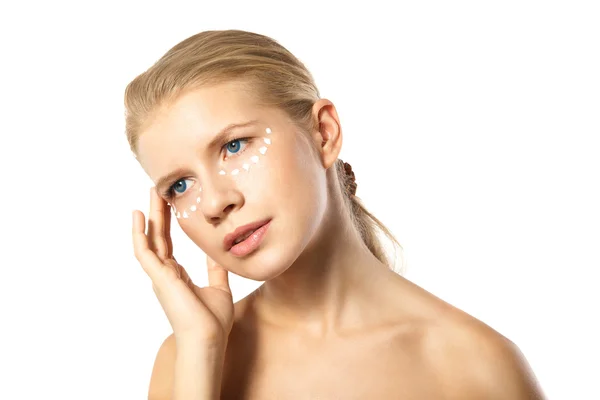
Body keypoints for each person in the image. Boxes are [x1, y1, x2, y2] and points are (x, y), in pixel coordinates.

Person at [127, 29, 545, 399]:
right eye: (180, 186)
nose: (217, 203)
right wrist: (201, 353)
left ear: (324, 133)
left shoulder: (476, 367)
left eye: (235, 146)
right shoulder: (187, 359)